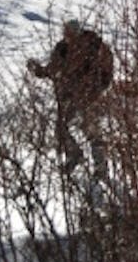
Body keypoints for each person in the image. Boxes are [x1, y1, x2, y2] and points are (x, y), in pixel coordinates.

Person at [27, 20, 114, 171]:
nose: (65, 35)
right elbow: (52, 70)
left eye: (68, 32)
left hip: (88, 97)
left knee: (91, 131)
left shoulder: (94, 47)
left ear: (76, 32)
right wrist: (37, 70)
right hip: (69, 98)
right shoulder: (62, 49)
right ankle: (77, 157)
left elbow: (106, 72)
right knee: (63, 128)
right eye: (65, 32)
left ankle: (99, 167)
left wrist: (94, 89)